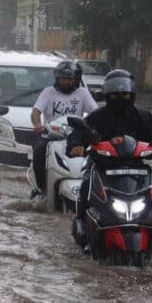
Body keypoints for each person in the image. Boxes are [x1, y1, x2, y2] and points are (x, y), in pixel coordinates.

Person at [66, 69, 152, 248]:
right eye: (115, 94)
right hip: (101, 166)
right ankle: (82, 226)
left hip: (136, 168)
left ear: (132, 95)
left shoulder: (142, 117)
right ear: (108, 95)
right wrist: (76, 146)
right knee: (85, 187)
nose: (120, 98)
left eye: (125, 94)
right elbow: (80, 132)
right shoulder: (97, 116)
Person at [30, 61, 98, 200]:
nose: (65, 82)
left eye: (69, 79)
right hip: (51, 135)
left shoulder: (83, 93)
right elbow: (35, 112)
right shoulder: (48, 92)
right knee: (38, 150)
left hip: (76, 137)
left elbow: (96, 113)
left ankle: (91, 187)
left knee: (96, 153)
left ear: (76, 79)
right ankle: (40, 188)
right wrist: (38, 125)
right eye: (62, 78)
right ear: (57, 78)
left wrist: (96, 129)